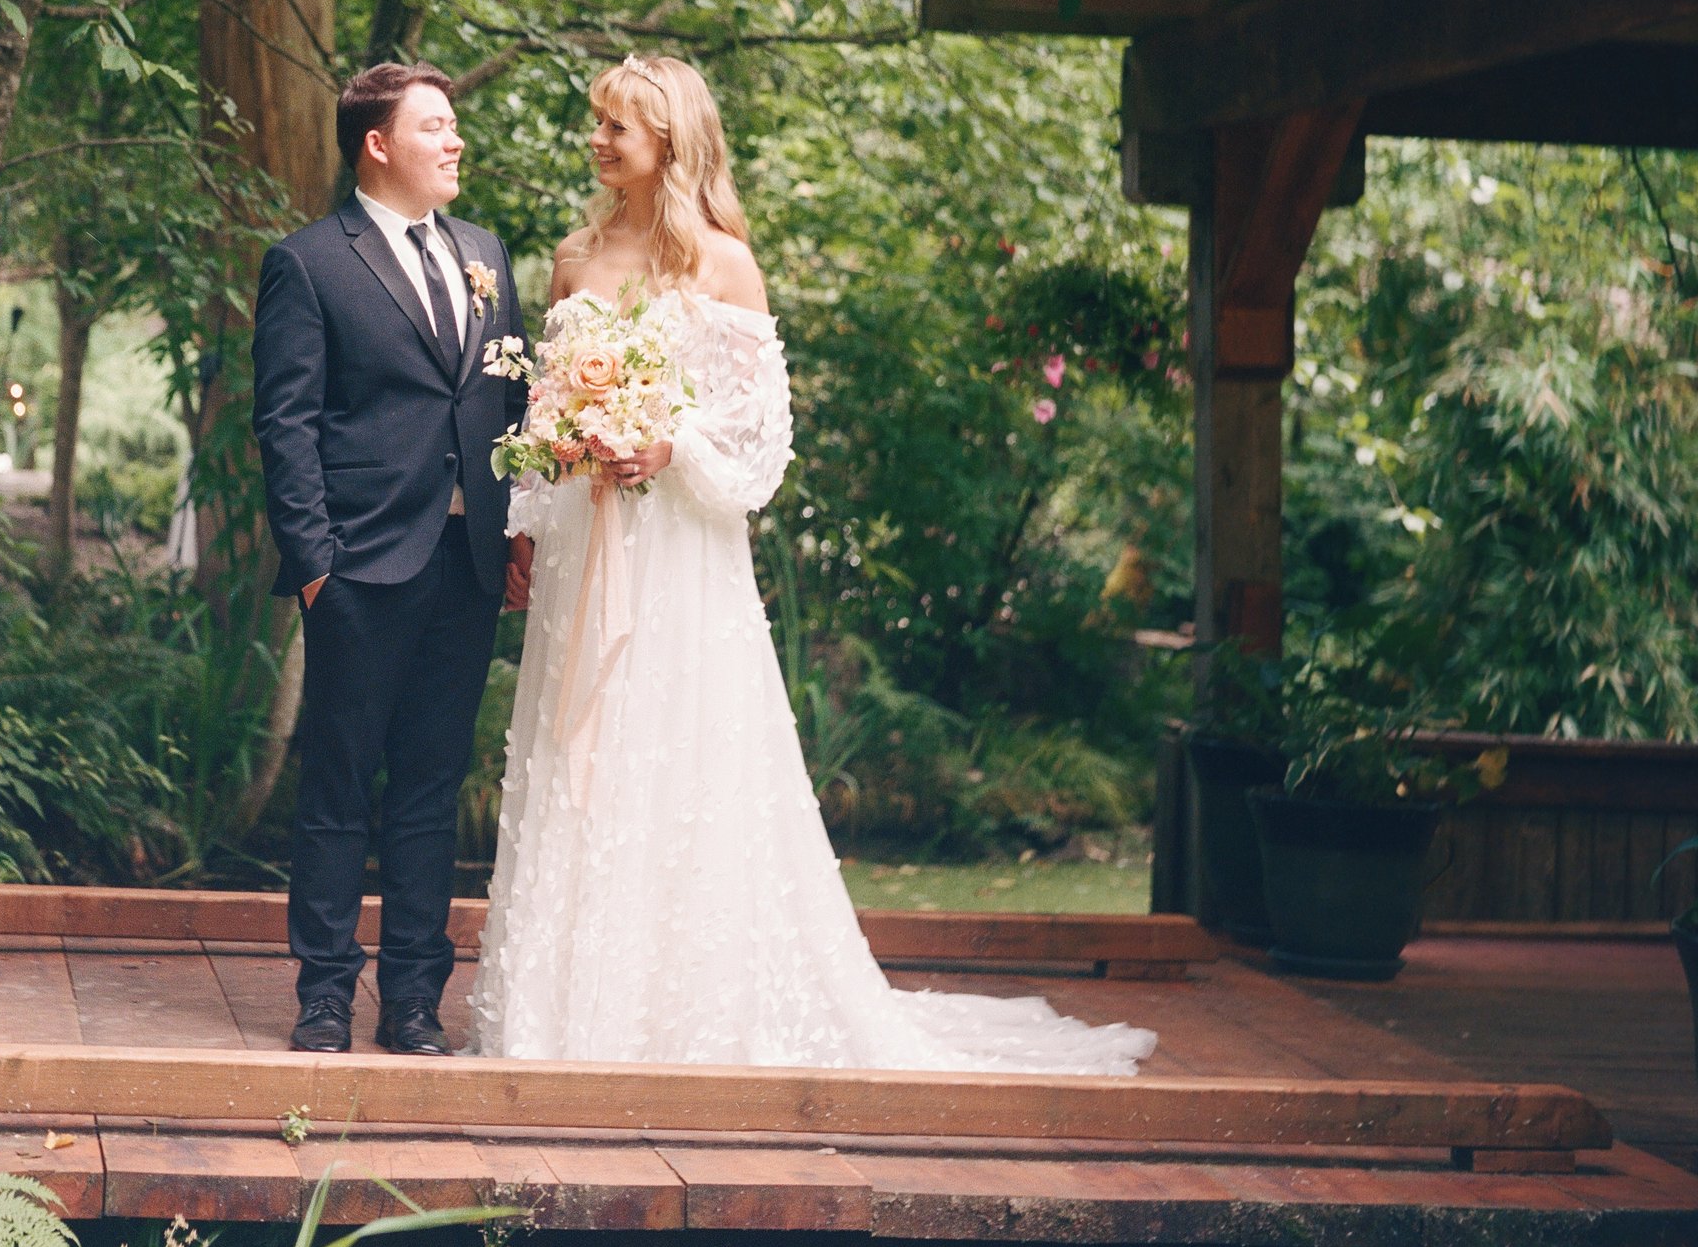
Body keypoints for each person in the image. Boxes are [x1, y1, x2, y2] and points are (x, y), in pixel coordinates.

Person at [467, 55, 1154, 1075]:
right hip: (585, 548)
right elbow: (544, 409)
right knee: (580, 757)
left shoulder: (725, 266)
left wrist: (666, 445)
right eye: (596, 124)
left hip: (679, 557)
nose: (598, 141)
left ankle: (678, 1013)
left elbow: (756, 437)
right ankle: (565, 1013)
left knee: (676, 758)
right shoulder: (572, 258)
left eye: (617, 127)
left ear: (670, 143)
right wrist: (533, 511)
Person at [251, 62, 530, 1055]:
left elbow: (513, 403)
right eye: (436, 127)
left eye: (453, 127)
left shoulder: (484, 255)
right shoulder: (310, 263)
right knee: (337, 785)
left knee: (428, 787)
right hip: (360, 566)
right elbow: (285, 424)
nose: (455, 142)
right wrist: (315, 560)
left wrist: (519, 532)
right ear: (378, 143)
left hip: (465, 564)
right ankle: (324, 994)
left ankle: (413, 1000)